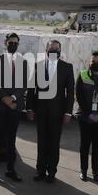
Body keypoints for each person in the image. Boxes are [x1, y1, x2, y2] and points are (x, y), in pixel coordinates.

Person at [26, 40, 75, 183]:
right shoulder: (38, 65)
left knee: (54, 143)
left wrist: (68, 112)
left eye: (56, 49)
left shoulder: (67, 67)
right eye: (51, 49)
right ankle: (40, 170)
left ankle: (51, 171)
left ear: (60, 50)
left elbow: (70, 91)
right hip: (40, 112)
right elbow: (31, 89)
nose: (54, 51)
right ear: (46, 49)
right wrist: (29, 108)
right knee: (41, 142)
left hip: (58, 113)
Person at [0, 33, 28, 185]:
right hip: (0, 106)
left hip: (14, 107)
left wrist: (14, 99)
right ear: (5, 43)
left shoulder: (23, 62)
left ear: (18, 44)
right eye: (10, 42)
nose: (13, 45)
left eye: (15, 43)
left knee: (11, 140)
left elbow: (24, 84)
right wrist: (5, 99)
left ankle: (11, 170)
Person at [76, 51, 98, 182]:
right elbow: (79, 96)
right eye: (93, 62)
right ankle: (83, 170)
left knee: (97, 146)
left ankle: (95, 171)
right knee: (84, 145)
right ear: (89, 63)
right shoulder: (82, 75)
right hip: (85, 117)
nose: (96, 64)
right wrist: (89, 113)